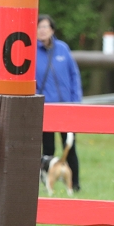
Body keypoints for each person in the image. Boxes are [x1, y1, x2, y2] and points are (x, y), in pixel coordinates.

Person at [36, 14, 82, 191]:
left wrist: (76, 101)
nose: (42, 30)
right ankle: (48, 185)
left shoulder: (63, 49)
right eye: (39, 27)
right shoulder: (31, 52)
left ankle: (75, 185)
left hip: (67, 108)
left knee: (70, 146)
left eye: (45, 26)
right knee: (47, 150)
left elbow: (74, 75)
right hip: (45, 108)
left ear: (52, 29)